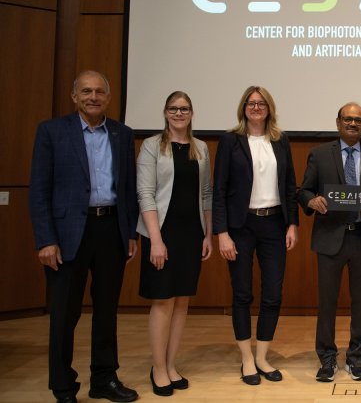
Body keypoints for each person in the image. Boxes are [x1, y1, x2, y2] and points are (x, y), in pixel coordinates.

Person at [29, 71, 139, 403]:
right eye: (86, 91)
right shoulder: (52, 132)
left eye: (100, 92)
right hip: (66, 236)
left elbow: (128, 189)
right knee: (65, 314)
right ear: (74, 96)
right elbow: (39, 191)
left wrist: (130, 232)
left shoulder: (122, 133)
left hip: (111, 231)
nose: (94, 97)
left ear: (108, 97)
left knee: (106, 311)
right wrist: (45, 239)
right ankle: (63, 387)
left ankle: (104, 379)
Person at [297, 102, 361, 382]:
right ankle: (327, 359)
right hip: (329, 239)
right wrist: (312, 201)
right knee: (327, 303)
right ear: (338, 122)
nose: (353, 124)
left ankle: (355, 358)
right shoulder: (319, 154)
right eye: (348, 119)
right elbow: (304, 191)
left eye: (358, 120)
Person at [213, 86, 299, 385]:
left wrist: (292, 225)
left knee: (273, 294)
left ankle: (262, 356)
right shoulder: (230, 141)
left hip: (274, 225)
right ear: (243, 108)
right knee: (242, 294)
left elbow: (290, 186)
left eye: (261, 103)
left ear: (269, 108)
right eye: (251, 103)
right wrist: (221, 233)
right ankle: (246, 359)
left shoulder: (280, 140)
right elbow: (219, 190)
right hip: (240, 227)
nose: (256, 107)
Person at [136, 91, 213, 396]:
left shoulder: (201, 148)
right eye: (173, 109)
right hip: (162, 233)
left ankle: (171, 364)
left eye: (184, 109)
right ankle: (157, 368)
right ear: (165, 112)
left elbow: (207, 193)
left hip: (191, 233)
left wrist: (208, 234)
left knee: (182, 301)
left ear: (192, 113)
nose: (179, 113)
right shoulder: (152, 146)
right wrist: (155, 240)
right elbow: (145, 194)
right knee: (162, 301)